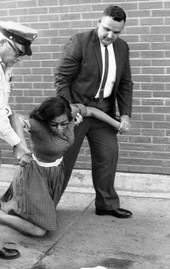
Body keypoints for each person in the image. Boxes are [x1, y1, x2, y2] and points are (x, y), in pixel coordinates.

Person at [0, 96, 120, 237]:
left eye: (64, 123)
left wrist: (117, 125)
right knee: (40, 230)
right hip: (35, 175)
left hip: (55, 173)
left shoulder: (70, 113)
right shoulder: (38, 125)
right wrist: (21, 147)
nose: (59, 128)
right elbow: (14, 118)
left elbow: (92, 110)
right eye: (54, 124)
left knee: (40, 214)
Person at [54, 5, 133, 218]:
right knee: (64, 160)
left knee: (109, 154)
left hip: (104, 111)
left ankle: (106, 204)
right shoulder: (79, 42)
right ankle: (46, 206)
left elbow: (125, 83)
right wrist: (70, 109)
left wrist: (125, 114)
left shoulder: (122, 48)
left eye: (116, 32)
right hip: (77, 111)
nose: (110, 35)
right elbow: (62, 79)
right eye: (107, 29)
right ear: (99, 22)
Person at [0, 21, 37, 259]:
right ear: (2, 42)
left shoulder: (4, 67)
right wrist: (17, 145)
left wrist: (14, 118)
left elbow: (3, 107)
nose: (19, 58)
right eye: (18, 52)